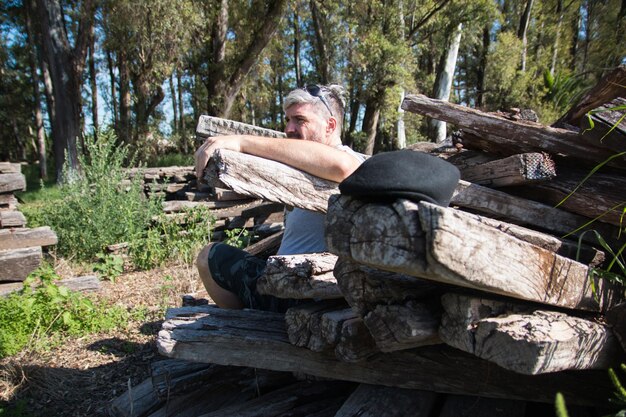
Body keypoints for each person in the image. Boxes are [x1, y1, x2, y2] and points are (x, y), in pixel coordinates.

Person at [194, 84, 365, 312]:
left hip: (307, 290)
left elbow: (343, 166)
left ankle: (250, 326)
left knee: (209, 256)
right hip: (287, 283)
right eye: (288, 120)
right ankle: (247, 324)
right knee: (215, 258)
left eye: (300, 120)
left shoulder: (348, 159)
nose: (289, 128)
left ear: (330, 126)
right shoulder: (307, 167)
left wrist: (242, 142)